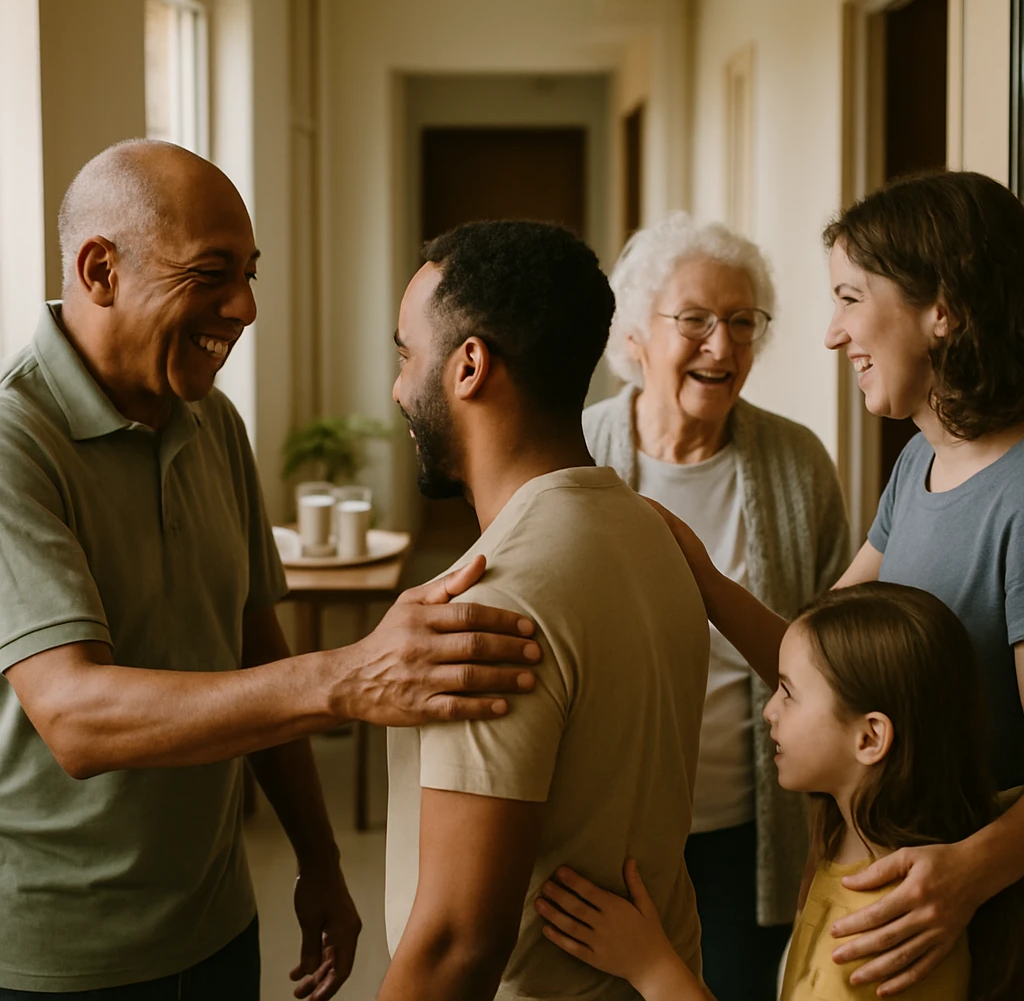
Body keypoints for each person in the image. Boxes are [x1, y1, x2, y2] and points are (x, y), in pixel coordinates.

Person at [0, 140, 543, 1001]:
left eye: (250, 274)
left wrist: (319, 858)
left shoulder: (213, 423)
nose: (246, 307)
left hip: (218, 923)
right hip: (62, 960)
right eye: (212, 273)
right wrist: (349, 676)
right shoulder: (13, 444)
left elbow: (257, 651)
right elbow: (76, 718)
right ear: (100, 270)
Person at [653, 170, 1024, 996]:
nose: (832, 334)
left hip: (973, 931)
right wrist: (699, 575)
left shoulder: (1020, 500)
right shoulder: (920, 463)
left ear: (942, 308)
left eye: (851, 298)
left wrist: (970, 871)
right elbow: (812, 659)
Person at [380, 219, 711, 1001]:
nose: (398, 387)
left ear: (469, 366)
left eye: (406, 355)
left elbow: (458, 944)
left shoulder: (491, 604)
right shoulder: (650, 533)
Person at [583, 212, 849, 1000]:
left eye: (741, 322)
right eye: (695, 320)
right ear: (635, 335)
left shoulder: (798, 463)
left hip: (749, 828)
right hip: (608, 826)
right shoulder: (577, 452)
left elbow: (834, 653)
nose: (721, 347)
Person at [538, 584, 1023, 1000]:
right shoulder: (866, 837)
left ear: (869, 738)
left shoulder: (869, 942)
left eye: (788, 692)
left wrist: (649, 966)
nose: (769, 710)